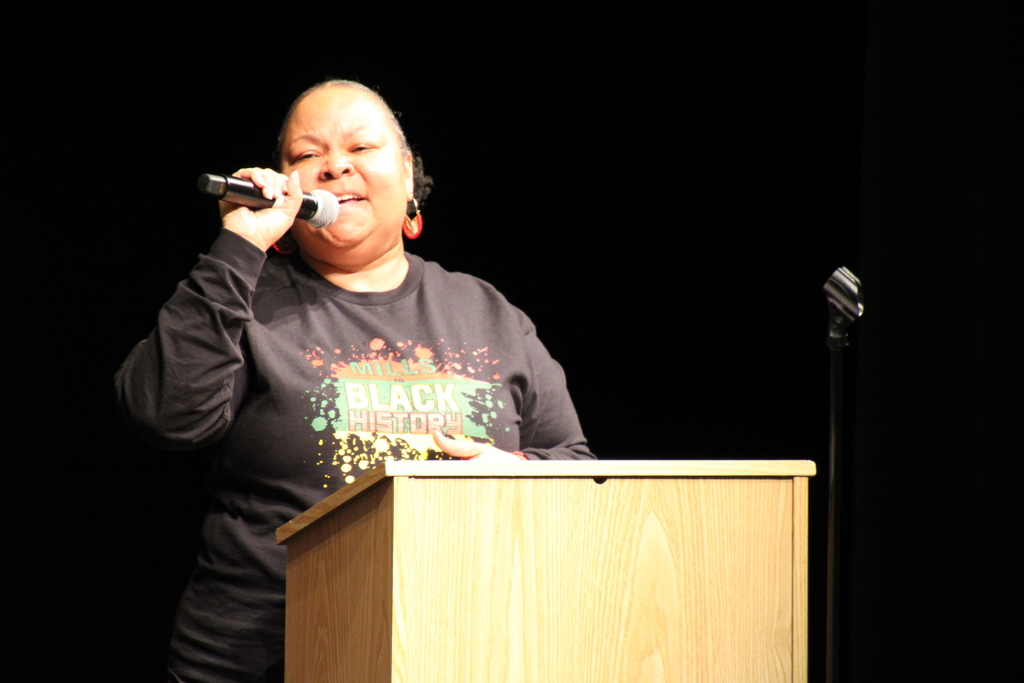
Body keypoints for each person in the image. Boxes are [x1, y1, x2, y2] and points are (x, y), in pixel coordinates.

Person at [115, 80, 595, 683]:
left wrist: (509, 472)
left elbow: (579, 471)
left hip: (466, 646)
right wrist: (241, 243)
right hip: (268, 659)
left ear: (406, 170)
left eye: (360, 148)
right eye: (306, 156)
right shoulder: (243, 301)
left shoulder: (486, 311)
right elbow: (164, 414)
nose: (334, 165)